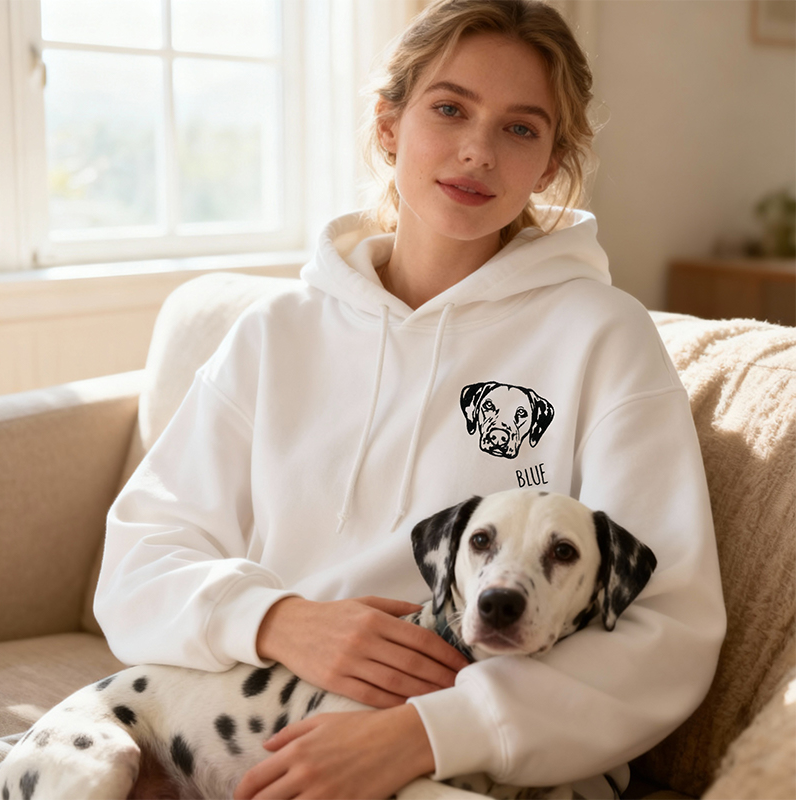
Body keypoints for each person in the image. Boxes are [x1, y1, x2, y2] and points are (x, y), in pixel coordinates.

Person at [94, 1, 726, 798]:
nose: (477, 152)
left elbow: (667, 629)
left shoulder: (604, 336)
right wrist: (278, 619)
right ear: (389, 123)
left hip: (486, 763)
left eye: (520, 129)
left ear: (554, 163)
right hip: (257, 731)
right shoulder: (275, 334)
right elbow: (137, 563)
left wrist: (422, 737)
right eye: (450, 108)